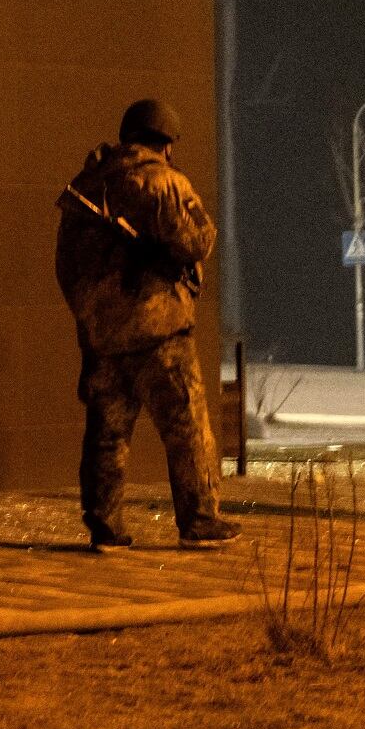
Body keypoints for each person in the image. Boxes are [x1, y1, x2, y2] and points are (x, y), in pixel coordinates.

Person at [56, 99, 240, 551]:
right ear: (166, 143)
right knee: (187, 425)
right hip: (157, 328)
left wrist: (93, 312)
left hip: (101, 334)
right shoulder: (162, 182)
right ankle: (200, 519)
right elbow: (197, 241)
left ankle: (105, 525)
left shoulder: (85, 187)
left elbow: (67, 266)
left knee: (107, 432)